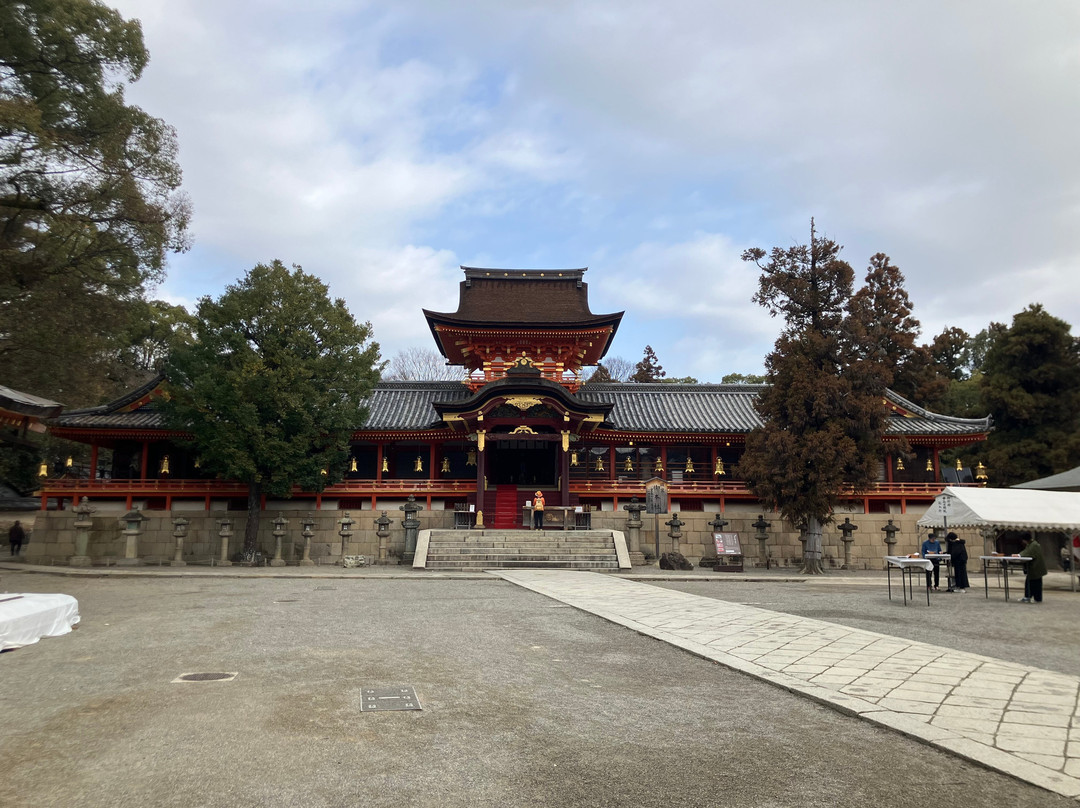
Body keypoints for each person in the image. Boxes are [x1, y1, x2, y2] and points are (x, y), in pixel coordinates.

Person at [1019, 535, 1047, 603]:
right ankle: (1036, 598)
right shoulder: (1032, 544)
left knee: (1032, 583)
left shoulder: (1034, 545)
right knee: (1036, 583)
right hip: (1036, 567)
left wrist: (1019, 555)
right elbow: (1027, 551)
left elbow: (1028, 553)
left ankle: (1029, 597)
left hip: (1036, 567)